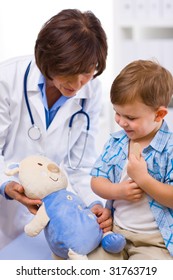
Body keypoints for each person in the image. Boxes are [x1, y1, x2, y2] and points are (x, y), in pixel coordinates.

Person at [0, 9, 112, 259]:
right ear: (48, 60)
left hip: (46, 214)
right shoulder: (6, 79)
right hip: (3, 207)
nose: (78, 83)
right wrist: (7, 185)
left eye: (88, 71)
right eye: (70, 72)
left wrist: (94, 202)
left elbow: (81, 163)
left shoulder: (90, 93)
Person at [91, 59, 173, 260]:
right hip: (114, 232)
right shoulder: (116, 142)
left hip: (155, 241)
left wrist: (143, 180)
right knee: (88, 261)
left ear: (159, 114)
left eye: (130, 117)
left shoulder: (169, 150)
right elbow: (96, 180)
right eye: (117, 113)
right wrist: (117, 191)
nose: (120, 121)